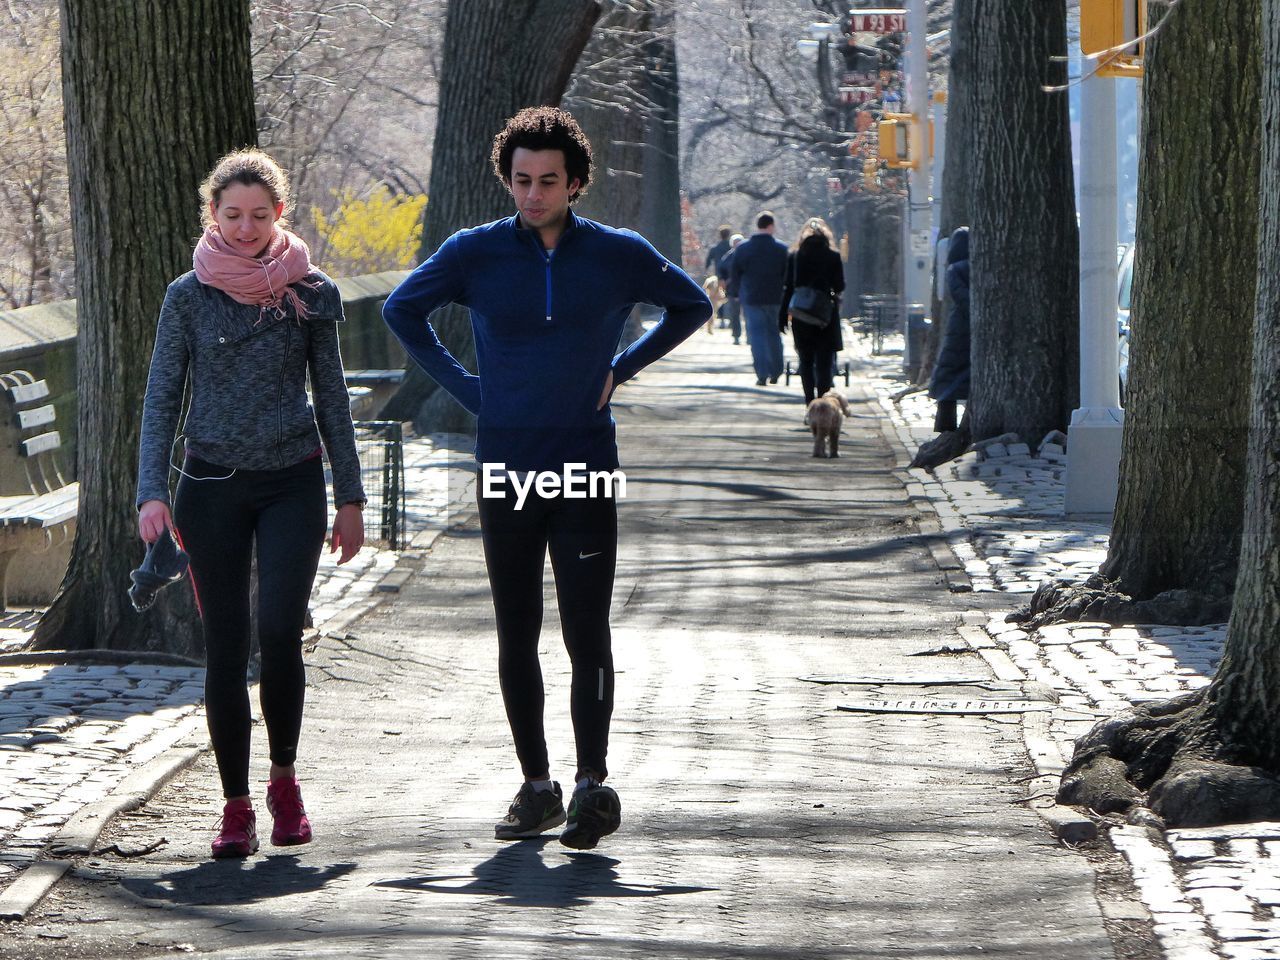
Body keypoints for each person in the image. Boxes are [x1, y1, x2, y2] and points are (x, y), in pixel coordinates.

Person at [382, 106, 712, 849]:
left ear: (575, 182)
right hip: (505, 464)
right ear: (509, 178)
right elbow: (405, 310)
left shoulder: (617, 253)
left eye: (548, 182)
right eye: (522, 180)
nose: (533, 195)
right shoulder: (476, 252)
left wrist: (622, 368)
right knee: (517, 631)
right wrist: (471, 391)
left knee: (587, 630)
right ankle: (539, 788)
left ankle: (593, 784)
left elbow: (691, 304)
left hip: (586, 464)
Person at [136, 149, 366, 860]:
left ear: (280, 216)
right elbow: (161, 397)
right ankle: (235, 805)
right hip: (210, 488)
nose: (245, 229)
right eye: (232, 215)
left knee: (279, 632)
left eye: (259, 216)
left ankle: (285, 783)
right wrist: (150, 492)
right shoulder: (187, 296)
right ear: (212, 214)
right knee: (228, 644)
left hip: (292, 480)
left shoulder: (310, 292)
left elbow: (331, 396)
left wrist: (351, 496)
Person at [779, 218, 846, 407]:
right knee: (824, 362)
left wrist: (783, 315)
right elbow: (840, 285)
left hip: (801, 315)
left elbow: (788, 287)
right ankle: (825, 402)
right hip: (825, 315)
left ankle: (810, 404)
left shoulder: (795, 256)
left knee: (806, 361)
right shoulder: (833, 256)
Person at [730, 212, 788, 385]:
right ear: (770, 226)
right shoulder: (781, 249)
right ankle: (776, 370)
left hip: (752, 297)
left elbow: (735, 273)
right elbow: (787, 275)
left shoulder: (743, 249)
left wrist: (735, 293)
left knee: (756, 336)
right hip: (775, 298)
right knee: (774, 334)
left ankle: (761, 373)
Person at [928, 226, 970, 432]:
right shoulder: (976, 267)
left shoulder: (955, 269)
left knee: (948, 378)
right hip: (967, 327)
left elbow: (957, 295)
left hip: (958, 327)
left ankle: (945, 425)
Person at [717, 233, 745, 344]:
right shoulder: (728, 257)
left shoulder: (748, 255)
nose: (737, 245)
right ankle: (736, 335)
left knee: (748, 314)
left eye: (739, 243)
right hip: (733, 290)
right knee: (735, 313)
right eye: (735, 243)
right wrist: (722, 280)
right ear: (732, 244)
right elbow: (720, 270)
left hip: (747, 289)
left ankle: (750, 336)